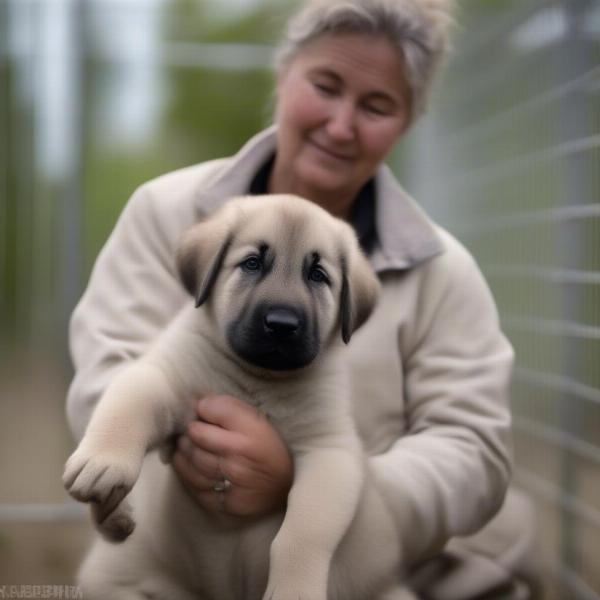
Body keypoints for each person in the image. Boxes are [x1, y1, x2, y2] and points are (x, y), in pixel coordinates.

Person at [66, 0, 541, 598]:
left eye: (376, 106)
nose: (341, 125)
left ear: (407, 122)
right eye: (326, 86)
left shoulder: (443, 272)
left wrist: (306, 485)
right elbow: (111, 373)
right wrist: (191, 451)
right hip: (172, 551)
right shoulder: (167, 213)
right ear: (283, 75)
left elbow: (473, 451)